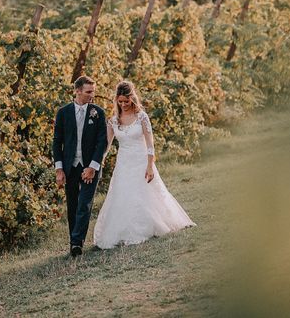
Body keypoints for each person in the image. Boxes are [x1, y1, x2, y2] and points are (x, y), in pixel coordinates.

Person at [92, 80, 195, 249]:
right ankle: (124, 231)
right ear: (116, 100)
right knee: (123, 195)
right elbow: (107, 146)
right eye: (120, 101)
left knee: (146, 194)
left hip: (141, 161)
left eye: (127, 101)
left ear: (133, 98)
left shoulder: (142, 117)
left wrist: (149, 165)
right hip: (124, 163)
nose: (124, 104)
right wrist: (99, 161)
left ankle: (151, 225)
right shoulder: (113, 121)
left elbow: (150, 144)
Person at [52, 75, 108, 257]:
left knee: (85, 204)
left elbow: (102, 142)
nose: (92, 95)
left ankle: (76, 244)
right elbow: (57, 142)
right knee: (73, 205)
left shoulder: (98, 112)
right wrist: (59, 169)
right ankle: (74, 240)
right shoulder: (63, 113)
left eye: (93, 91)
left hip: (90, 166)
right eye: (88, 92)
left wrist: (92, 167)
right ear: (77, 91)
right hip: (70, 166)